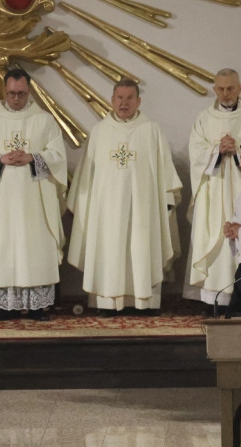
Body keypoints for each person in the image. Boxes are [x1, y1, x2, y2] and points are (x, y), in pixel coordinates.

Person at [67, 78, 182, 315]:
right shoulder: (99, 132)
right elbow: (86, 179)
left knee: (142, 248)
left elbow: (165, 175)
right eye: (120, 97)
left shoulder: (151, 130)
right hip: (106, 212)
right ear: (112, 100)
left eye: (130, 98)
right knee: (109, 250)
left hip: (143, 210)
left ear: (138, 101)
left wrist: (166, 203)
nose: (124, 103)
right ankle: (108, 303)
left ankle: (145, 303)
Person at [0, 68, 67, 321]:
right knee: (4, 248)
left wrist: (33, 158)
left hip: (35, 201)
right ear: (4, 91)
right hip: (2, 202)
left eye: (21, 93)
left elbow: (58, 157)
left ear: (29, 91)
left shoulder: (44, 120)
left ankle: (37, 307)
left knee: (34, 247)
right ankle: (4, 307)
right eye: (12, 93)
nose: (16, 98)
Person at [186, 68, 241, 307]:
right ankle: (214, 299)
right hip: (214, 192)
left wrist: (239, 149)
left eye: (230, 88)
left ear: (240, 88)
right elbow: (195, 153)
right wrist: (215, 151)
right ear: (214, 89)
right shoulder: (204, 118)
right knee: (216, 240)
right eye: (221, 89)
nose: (225, 94)